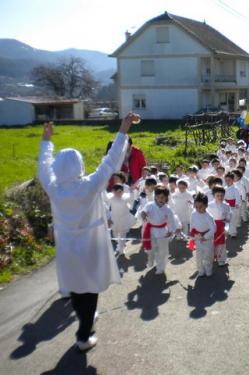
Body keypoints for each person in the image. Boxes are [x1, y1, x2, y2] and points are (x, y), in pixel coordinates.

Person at [37, 114, 137, 351]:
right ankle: (84, 334)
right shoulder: (91, 185)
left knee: (75, 286)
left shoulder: (53, 187)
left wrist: (46, 141)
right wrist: (123, 128)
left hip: (67, 246)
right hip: (91, 244)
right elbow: (111, 161)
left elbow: (42, 166)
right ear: (79, 166)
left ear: (58, 169)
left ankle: (85, 322)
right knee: (90, 288)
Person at [141, 185, 181, 274]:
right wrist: (143, 214)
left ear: (166, 198)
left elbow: (171, 220)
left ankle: (160, 267)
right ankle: (150, 259)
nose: (160, 199)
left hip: (162, 231)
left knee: (162, 250)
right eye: (158, 197)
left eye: (163, 197)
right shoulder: (150, 205)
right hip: (150, 230)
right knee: (150, 248)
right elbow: (144, 211)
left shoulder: (168, 209)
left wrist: (170, 231)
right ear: (155, 196)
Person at [190, 193, 216, 277]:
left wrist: (205, 237)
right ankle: (200, 270)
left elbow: (213, 229)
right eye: (196, 206)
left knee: (207, 255)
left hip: (207, 239)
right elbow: (192, 225)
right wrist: (192, 235)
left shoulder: (208, 216)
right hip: (197, 237)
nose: (197, 209)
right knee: (199, 255)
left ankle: (208, 269)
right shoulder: (193, 214)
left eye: (200, 207)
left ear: (206, 205)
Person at [105, 184, 135, 256]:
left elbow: (131, 199)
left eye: (121, 192)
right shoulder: (110, 198)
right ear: (113, 191)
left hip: (124, 218)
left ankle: (121, 249)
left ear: (123, 191)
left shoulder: (125, 197)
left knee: (122, 234)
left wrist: (131, 192)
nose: (119, 193)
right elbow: (106, 204)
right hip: (114, 218)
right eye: (117, 192)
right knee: (115, 234)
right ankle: (120, 245)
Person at [207, 185, 231, 266]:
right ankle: (212, 257)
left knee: (221, 243)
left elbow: (228, 217)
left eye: (222, 195)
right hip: (211, 226)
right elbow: (206, 216)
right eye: (217, 195)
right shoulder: (209, 205)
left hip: (221, 226)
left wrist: (227, 227)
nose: (220, 197)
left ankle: (221, 259)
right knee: (211, 242)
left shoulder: (226, 206)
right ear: (213, 196)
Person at [223, 172, 241, 238]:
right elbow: (223, 197)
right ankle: (228, 231)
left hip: (233, 207)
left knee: (233, 220)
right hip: (226, 206)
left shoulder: (235, 189)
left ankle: (233, 232)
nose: (227, 181)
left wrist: (236, 204)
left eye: (229, 180)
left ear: (233, 180)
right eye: (226, 180)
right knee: (226, 220)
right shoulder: (224, 188)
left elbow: (238, 198)